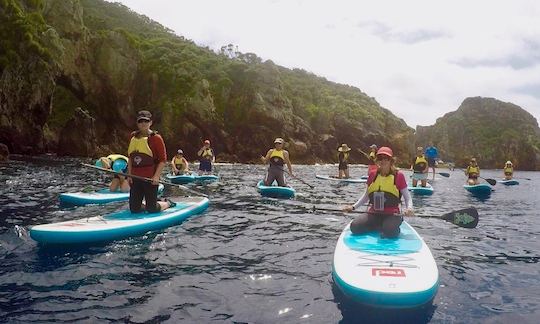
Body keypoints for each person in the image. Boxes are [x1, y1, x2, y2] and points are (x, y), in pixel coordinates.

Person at [343, 147, 413, 238]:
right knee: (355, 227)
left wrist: (409, 208)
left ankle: (388, 227)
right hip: (374, 213)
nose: (383, 161)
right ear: (377, 160)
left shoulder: (398, 176)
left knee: (389, 231)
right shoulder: (372, 174)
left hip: (392, 214)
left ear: (391, 161)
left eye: (386, 158)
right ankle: (379, 225)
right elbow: (366, 196)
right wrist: (353, 207)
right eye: (380, 158)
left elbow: (407, 197)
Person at [127, 110, 174, 213]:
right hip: (136, 177)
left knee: (152, 209)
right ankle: (147, 203)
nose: (143, 123)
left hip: (150, 178)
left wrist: (156, 176)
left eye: (146, 121)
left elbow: (162, 160)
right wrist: (129, 175)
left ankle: (167, 203)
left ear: (150, 123)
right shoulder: (133, 137)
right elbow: (131, 158)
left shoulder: (156, 138)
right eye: (141, 121)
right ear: (137, 123)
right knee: (134, 209)